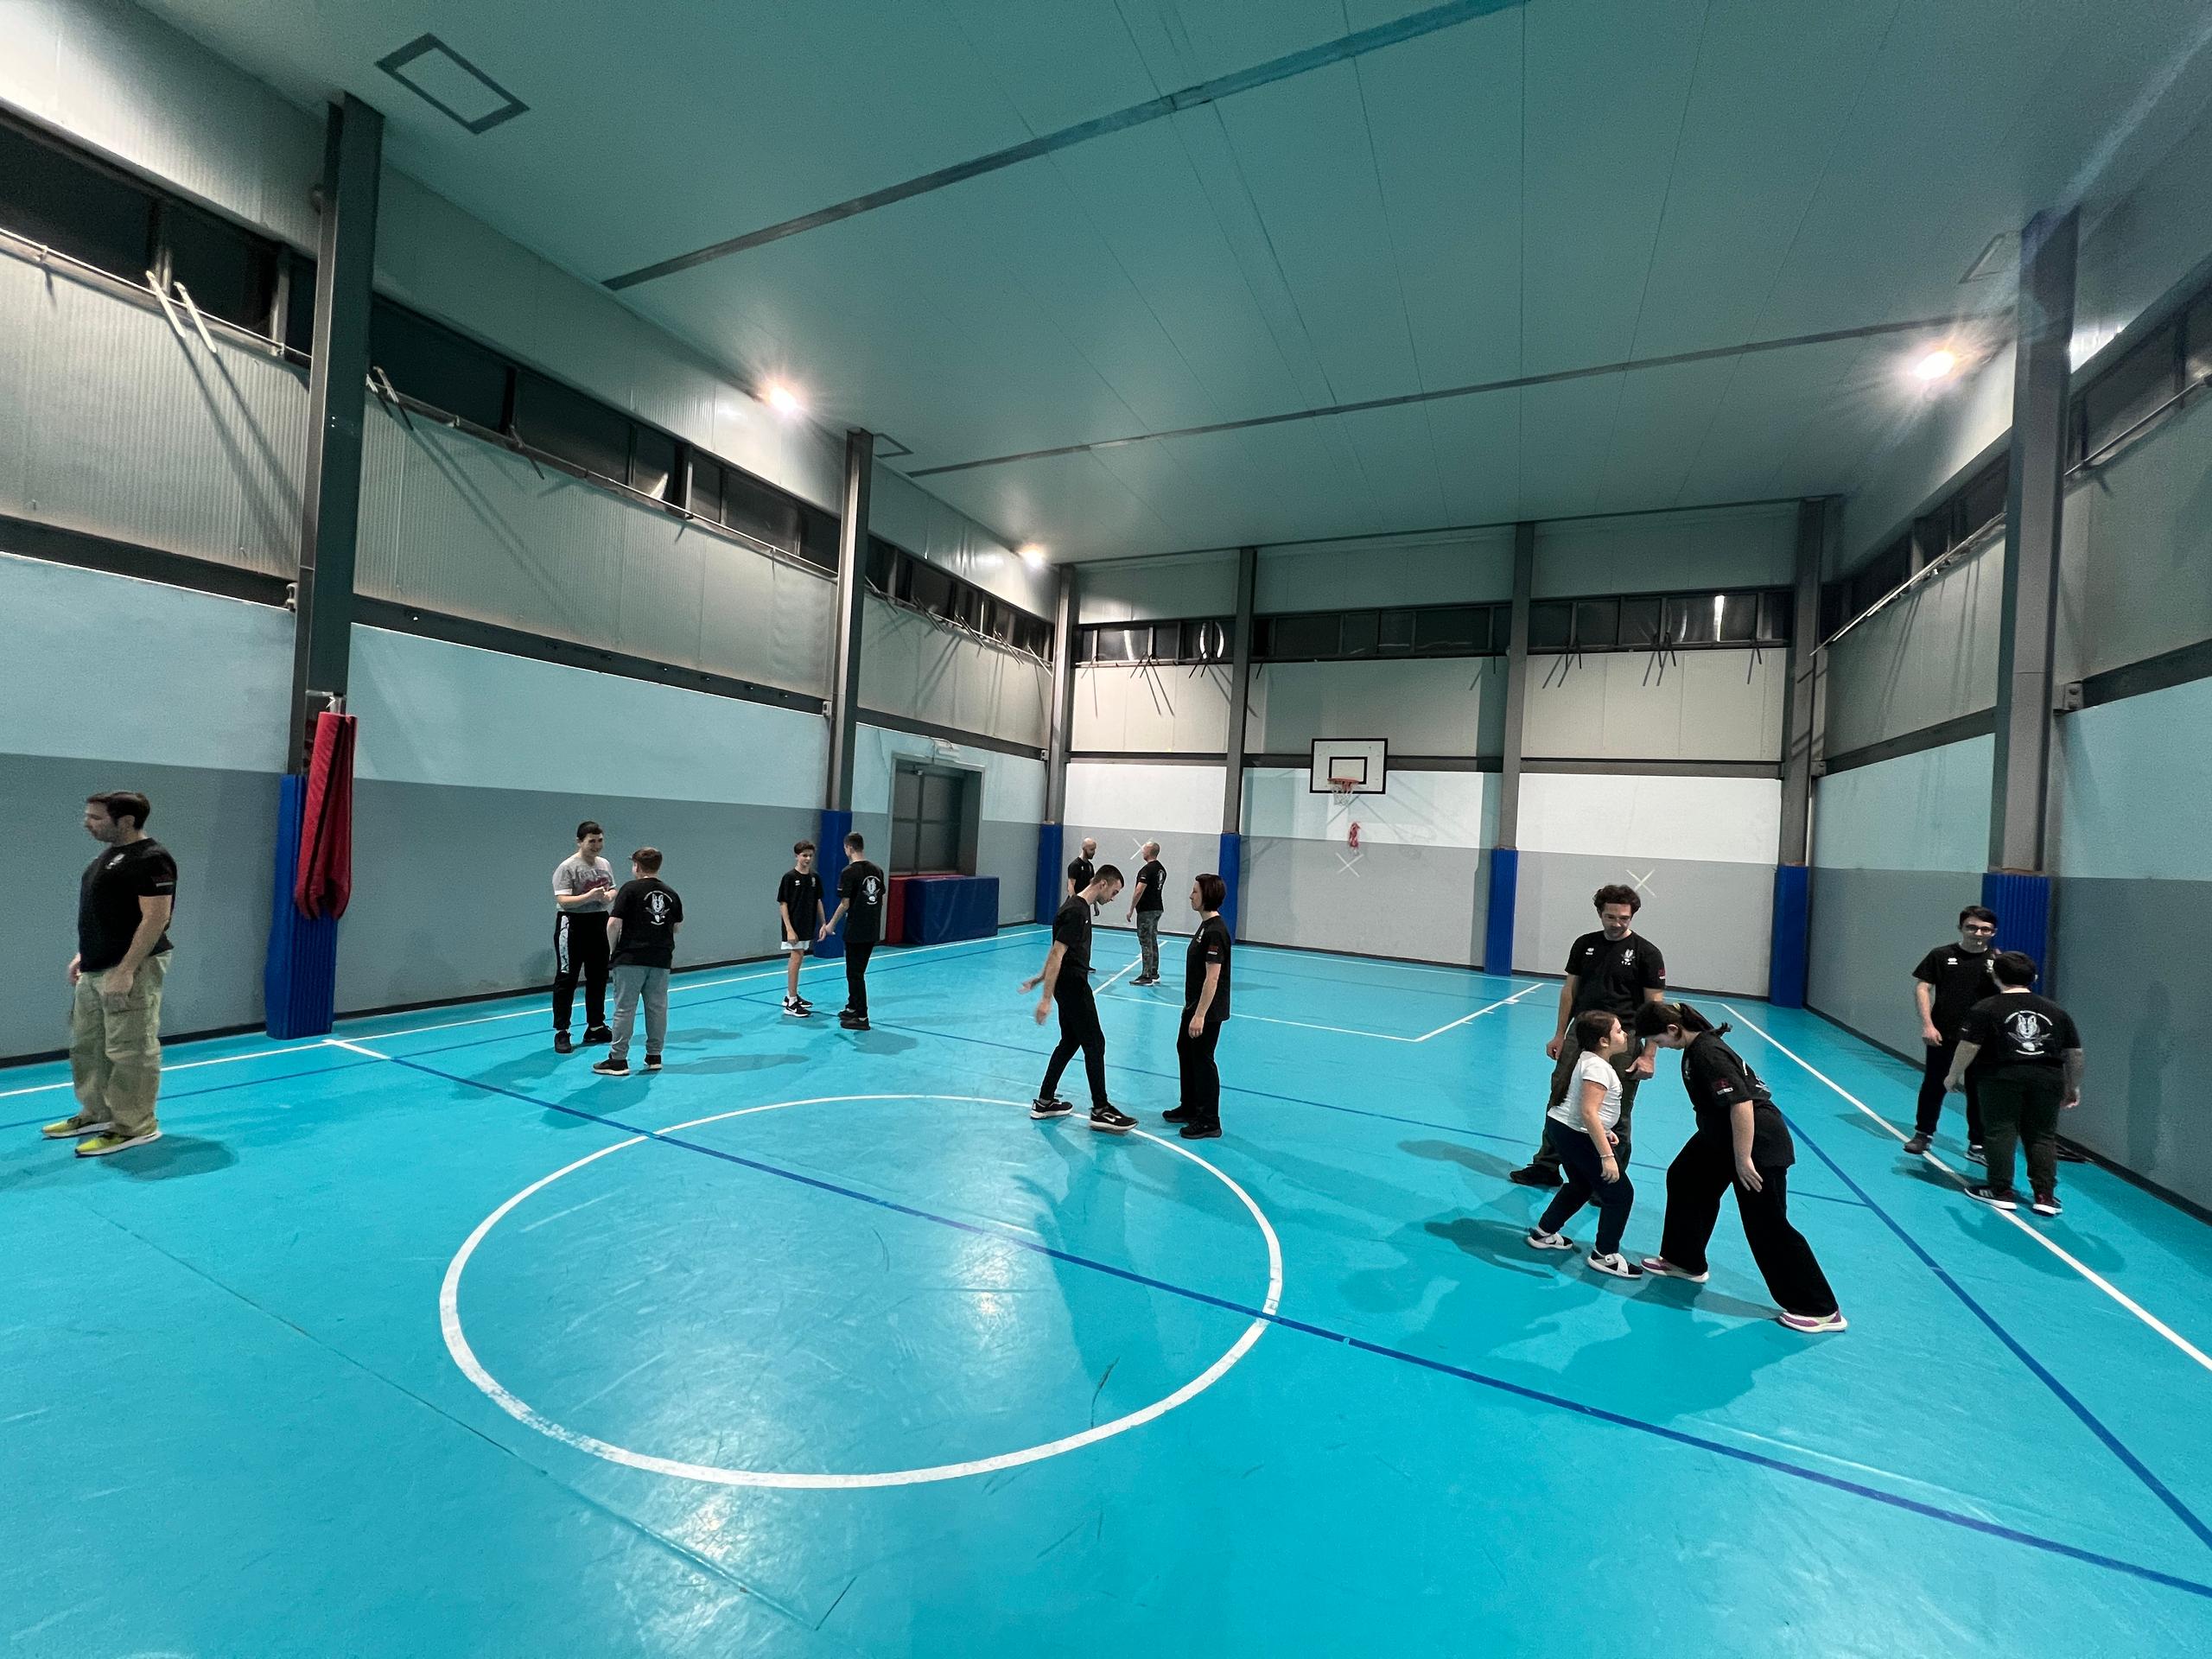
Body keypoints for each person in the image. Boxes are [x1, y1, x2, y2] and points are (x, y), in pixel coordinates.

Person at [1634, 1001, 1847, 1332]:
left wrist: (1743, 1159)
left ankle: (1820, 1308)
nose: (1658, 1047)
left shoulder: (1707, 1053)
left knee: (1767, 1224)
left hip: (1757, 1142)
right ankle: (1684, 1260)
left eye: (1658, 1040)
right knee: (1686, 1178)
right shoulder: (1695, 1046)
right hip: (1719, 1137)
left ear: (1674, 1030)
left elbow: (1742, 1103)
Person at [43, 791, 176, 1156]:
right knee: (87, 1045)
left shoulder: (152, 859)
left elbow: (155, 919)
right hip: (96, 966)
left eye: (96, 818)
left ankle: (135, 1126)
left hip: (129, 968)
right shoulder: (110, 857)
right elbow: (109, 914)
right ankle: (98, 1112)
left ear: (127, 821)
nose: (87, 823)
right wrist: (84, 954)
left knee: (129, 1049)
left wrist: (126, 970)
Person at [1509, 885, 1668, 1187]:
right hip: (1579, 1035)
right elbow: (1570, 990)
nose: (1617, 923)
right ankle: (1546, 1165)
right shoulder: (1585, 945)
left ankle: (1609, 1179)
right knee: (1559, 1097)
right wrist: (1559, 1034)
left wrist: (1648, 1055)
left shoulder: (1647, 954)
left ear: (1632, 916)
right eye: (1610, 916)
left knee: (1616, 1108)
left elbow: (1654, 1008)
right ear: (1600, 913)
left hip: (1622, 1039)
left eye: (1624, 917)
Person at [1947, 951, 2083, 1217]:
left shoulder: (1985, 1008)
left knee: (2000, 1131)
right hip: (2047, 1077)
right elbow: (2075, 1053)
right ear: (2034, 978)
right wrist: (2073, 1085)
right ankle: (2045, 1195)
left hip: (2001, 1076)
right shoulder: (2056, 1011)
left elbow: (1969, 1045)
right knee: (2042, 1135)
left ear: (1995, 976)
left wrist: (1953, 1074)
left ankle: (2001, 1191)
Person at [1524, 1010, 1642, 1278]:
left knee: (1581, 1185)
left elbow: (1589, 1112)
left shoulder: (1589, 1059)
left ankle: (1544, 1233)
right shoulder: (1598, 1068)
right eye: (1619, 1031)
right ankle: (1605, 1255)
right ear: (1603, 1040)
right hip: (1575, 1134)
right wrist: (1607, 1157)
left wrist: (1605, 1129)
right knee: (1620, 1194)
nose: (1624, 1035)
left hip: (1564, 1129)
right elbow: (1588, 1112)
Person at [1021, 864, 1135, 1135]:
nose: (1114, 898)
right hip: (1073, 985)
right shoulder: (1076, 911)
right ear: (1103, 884)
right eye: (1115, 892)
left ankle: (1045, 1101)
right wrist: (1045, 998)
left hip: (1068, 983)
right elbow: (1057, 954)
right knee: (1095, 1042)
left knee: (1071, 1040)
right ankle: (1100, 1109)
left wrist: (1040, 978)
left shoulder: (1078, 907)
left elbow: (1056, 951)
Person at [1904, 906, 1999, 1158]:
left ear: (1993, 932)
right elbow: (1923, 988)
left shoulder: (1999, 961)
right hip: (1944, 1033)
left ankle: (1978, 1143)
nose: (1978, 933)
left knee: (1978, 1088)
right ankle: (1923, 1134)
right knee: (1934, 1084)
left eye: (1985, 929)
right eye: (1972, 927)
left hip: (1982, 1039)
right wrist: (1928, 1024)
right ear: (1961, 928)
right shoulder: (1941, 955)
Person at [593, 849, 683, 1077]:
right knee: (657, 1008)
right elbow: (676, 927)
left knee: (624, 1009)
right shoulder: (671, 893)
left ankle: (619, 1059)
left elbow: (613, 924)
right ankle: (654, 1056)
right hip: (661, 959)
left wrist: (614, 951)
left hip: (631, 958)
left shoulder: (629, 890)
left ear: (637, 866)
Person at [1163, 874, 1231, 1140]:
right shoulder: (1205, 926)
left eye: (1194, 892)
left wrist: (1200, 1015)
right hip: (1192, 1005)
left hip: (1207, 1011)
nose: (1191, 896)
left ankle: (1209, 1120)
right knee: (1185, 1051)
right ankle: (1190, 1105)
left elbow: (1213, 977)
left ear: (1206, 896)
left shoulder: (1215, 930)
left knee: (1203, 1060)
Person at [551, 820, 617, 1053]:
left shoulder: (604, 864)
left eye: (600, 840)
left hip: (598, 922)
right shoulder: (568, 867)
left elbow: (612, 888)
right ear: (580, 842)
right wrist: (589, 896)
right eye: (592, 841)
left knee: (598, 975)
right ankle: (562, 1031)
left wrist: (608, 896)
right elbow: (563, 900)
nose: (597, 845)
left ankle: (596, 1026)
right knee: (567, 977)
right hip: (572, 924)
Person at [821, 831, 887, 1031]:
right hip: (872, 928)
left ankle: (861, 1016)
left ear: (848, 848)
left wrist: (830, 924)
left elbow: (845, 903)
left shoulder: (849, 872)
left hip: (856, 929)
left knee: (855, 973)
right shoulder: (877, 870)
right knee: (857, 970)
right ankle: (852, 1007)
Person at [776, 841, 824, 1017]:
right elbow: (783, 904)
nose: (808, 858)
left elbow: (818, 900)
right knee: (796, 957)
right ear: (797, 856)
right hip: (794, 926)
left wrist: (824, 923)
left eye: (810, 855)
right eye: (804, 855)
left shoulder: (814, 878)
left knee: (800, 957)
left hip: (807, 924)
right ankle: (791, 1002)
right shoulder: (789, 877)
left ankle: (792, 995)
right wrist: (789, 929)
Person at [1126, 841, 1166, 986]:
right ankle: (1154, 972)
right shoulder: (1161, 869)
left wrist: (1131, 908)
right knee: (1153, 939)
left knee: (1145, 941)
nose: (1142, 851)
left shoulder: (1147, 870)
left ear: (1149, 851)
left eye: (1144, 849)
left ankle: (1146, 975)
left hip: (1146, 910)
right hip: (1157, 908)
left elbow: (1139, 890)